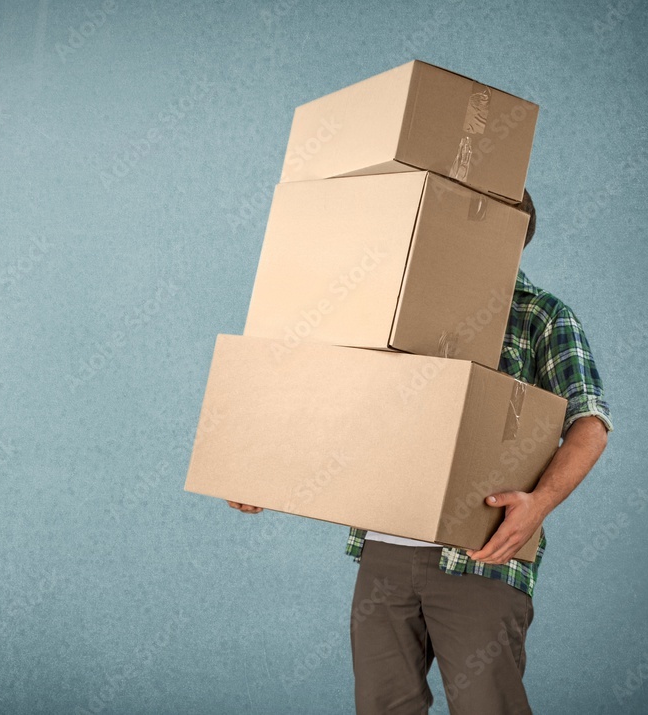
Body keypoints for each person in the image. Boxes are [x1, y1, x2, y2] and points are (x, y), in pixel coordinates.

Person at [226, 189, 613, 714]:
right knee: (383, 707)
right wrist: (263, 473)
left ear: (516, 234)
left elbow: (590, 422)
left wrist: (539, 505)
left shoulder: (541, 315)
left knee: (487, 706)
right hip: (384, 552)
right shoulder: (394, 310)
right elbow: (334, 402)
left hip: (482, 555)